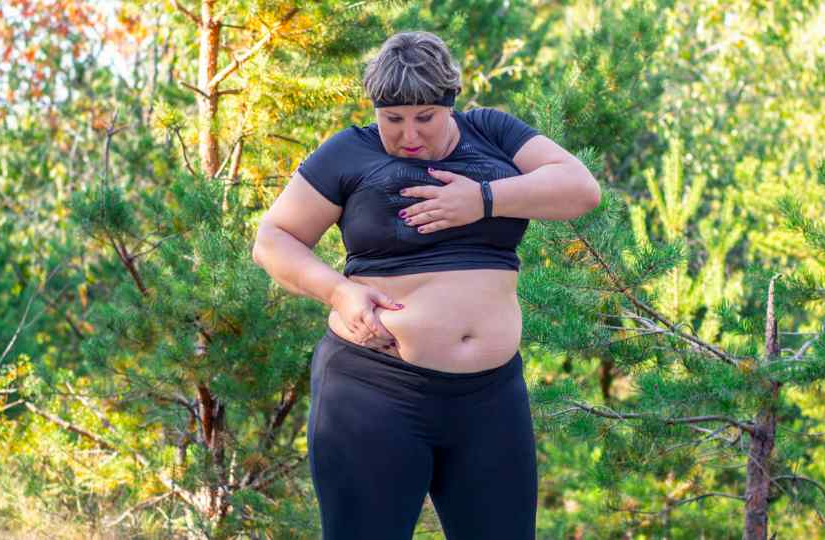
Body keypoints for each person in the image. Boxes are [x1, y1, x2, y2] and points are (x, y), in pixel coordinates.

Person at [252, 30, 600, 540]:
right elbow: (273, 238)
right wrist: (338, 291)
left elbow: (580, 189)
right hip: (373, 389)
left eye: (425, 118)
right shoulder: (349, 152)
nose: (408, 134)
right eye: (392, 119)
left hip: (491, 396)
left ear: (450, 104)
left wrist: (482, 199)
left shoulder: (493, 132)